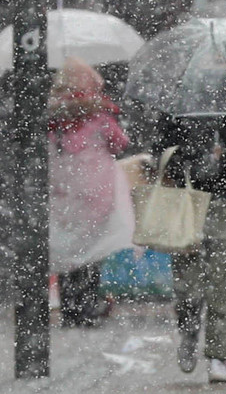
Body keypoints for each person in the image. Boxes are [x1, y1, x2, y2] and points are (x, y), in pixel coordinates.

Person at [154, 115, 226, 383]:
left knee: (223, 285)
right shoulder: (177, 113)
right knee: (187, 286)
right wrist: (193, 160)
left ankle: (217, 355)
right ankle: (188, 331)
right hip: (187, 203)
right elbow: (160, 152)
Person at [48, 58, 132, 328]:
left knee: (66, 251)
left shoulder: (52, 117)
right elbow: (120, 144)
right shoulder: (99, 116)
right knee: (91, 251)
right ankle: (86, 308)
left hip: (62, 191)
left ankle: (70, 308)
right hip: (96, 192)